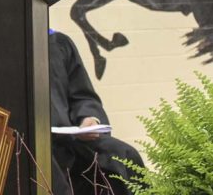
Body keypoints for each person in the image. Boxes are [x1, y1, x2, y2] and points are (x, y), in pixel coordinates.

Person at [49, 29, 144, 195]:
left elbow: (83, 96)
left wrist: (88, 118)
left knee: (123, 156)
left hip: (70, 141)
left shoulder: (57, 42)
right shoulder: (5, 47)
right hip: (33, 144)